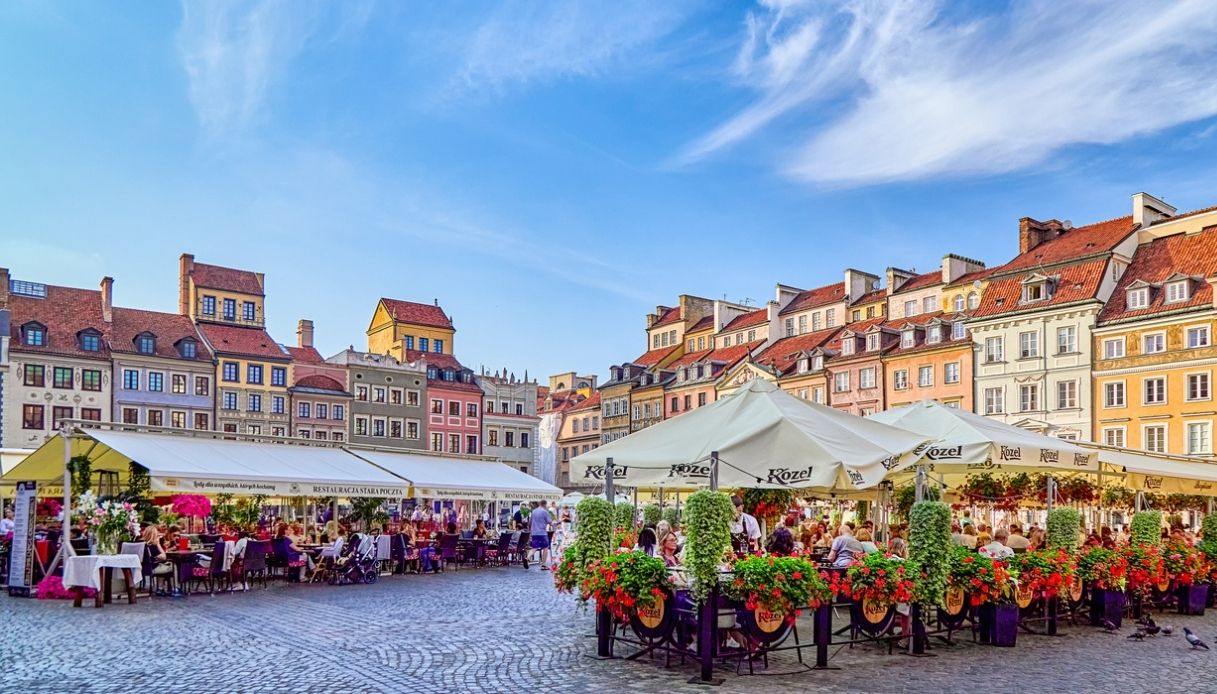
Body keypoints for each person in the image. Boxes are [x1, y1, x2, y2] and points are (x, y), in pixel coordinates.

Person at [529, 499, 552, 570]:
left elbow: (530, 523)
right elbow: (549, 522)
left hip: (534, 533)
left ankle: (527, 557)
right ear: (545, 504)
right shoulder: (544, 512)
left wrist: (530, 532)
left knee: (534, 547)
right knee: (545, 548)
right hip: (542, 533)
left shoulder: (533, 511)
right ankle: (543, 564)